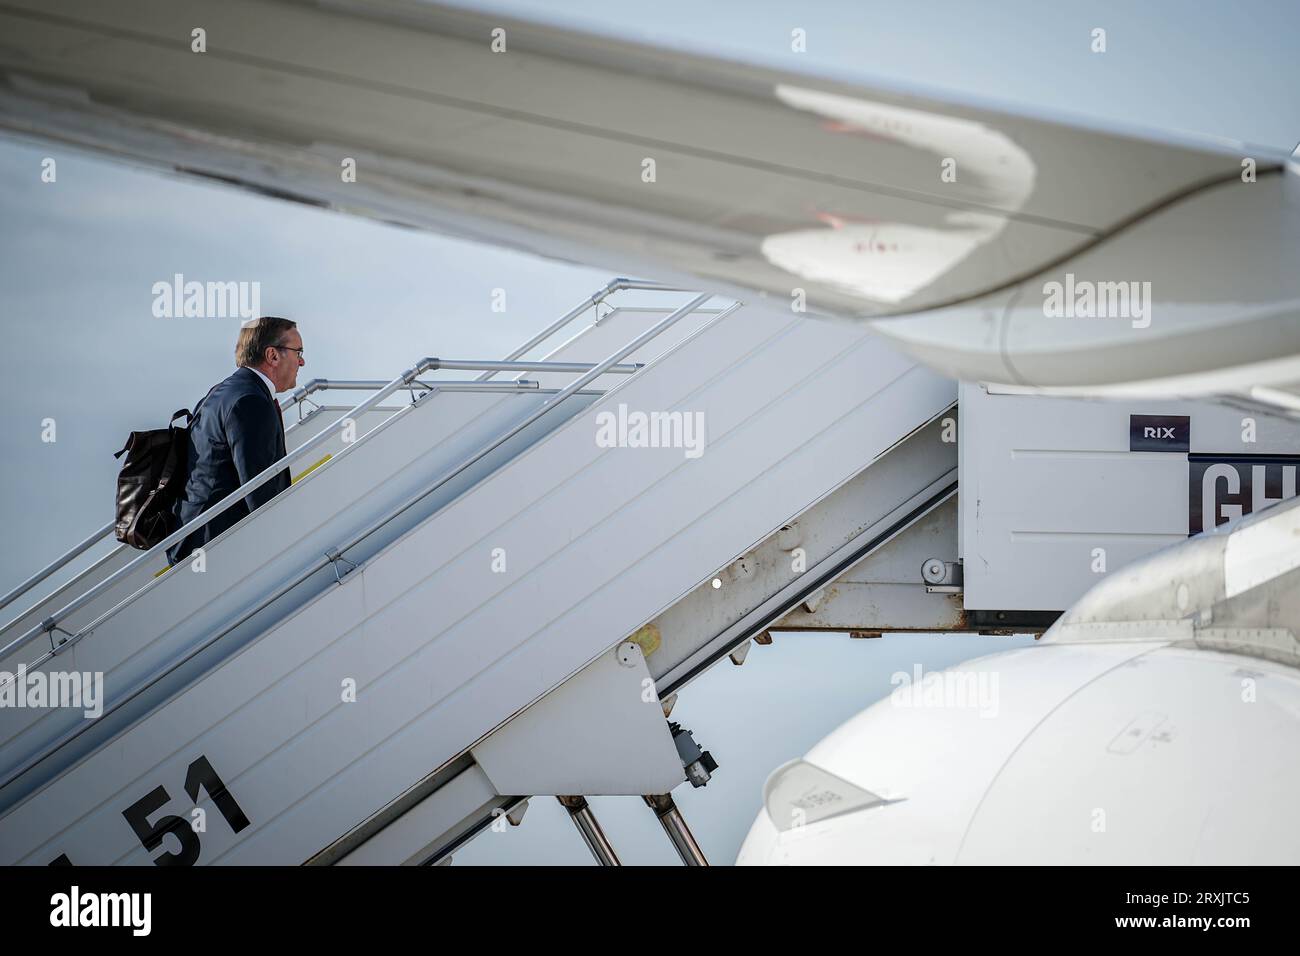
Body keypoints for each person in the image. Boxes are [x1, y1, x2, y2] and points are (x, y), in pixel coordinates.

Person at [167, 317, 305, 564]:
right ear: (273, 355)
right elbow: (259, 491)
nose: (302, 361)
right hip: (218, 549)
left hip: (196, 542)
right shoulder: (249, 401)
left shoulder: (223, 392)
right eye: (298, 352)